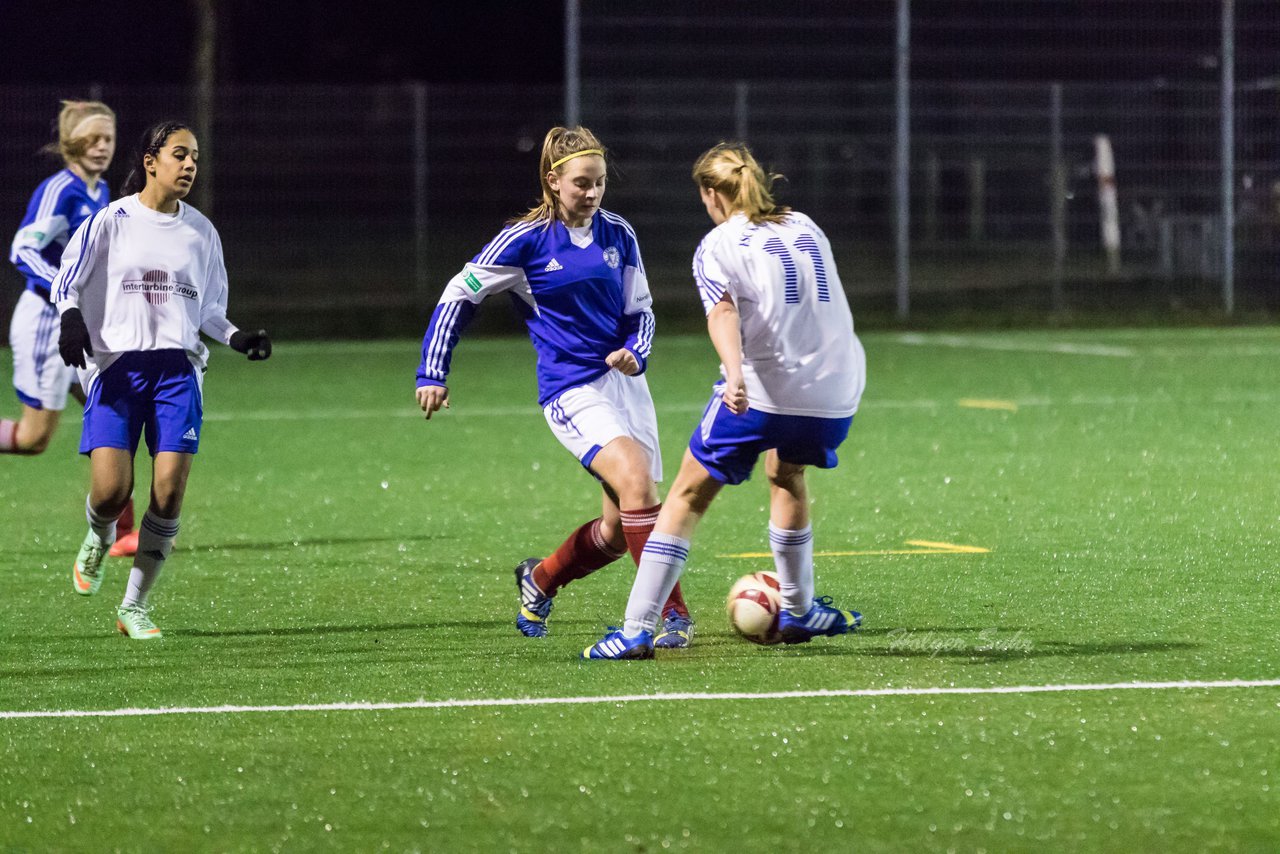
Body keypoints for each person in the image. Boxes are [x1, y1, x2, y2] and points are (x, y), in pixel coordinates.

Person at [583, 142, 866, 660]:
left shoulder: (719, 243)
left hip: (764, 392)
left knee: (688, 496)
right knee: (786, 472)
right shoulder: (805, 225)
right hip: (838, 391)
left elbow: (722, 314)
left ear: (712, 193)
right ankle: (800, 609)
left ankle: (636, 630)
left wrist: (734, 374)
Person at [414, 125, 693, 646]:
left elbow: (642, 312)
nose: (592, 193)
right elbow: (459, 293)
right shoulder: (525, 241)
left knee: (616, 530)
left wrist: (637, 351)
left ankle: (540, 579)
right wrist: (433, 370)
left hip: (626, 386)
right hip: (571, 389)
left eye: (600, 183)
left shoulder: (619, 233)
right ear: (553, 181)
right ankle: (671, 615)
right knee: (636, 480)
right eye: (582, 183)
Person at [52, 121, 272, 639]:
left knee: (169, 493)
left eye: (195, 156)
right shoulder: (113, 220)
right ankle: (99, 534)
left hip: (178, 372)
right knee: (111, 492)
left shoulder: (202, 232)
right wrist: (69, 316)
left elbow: (210, 310)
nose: (190, 164)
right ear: (151, 161)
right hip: (117, 368)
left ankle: (134, 607)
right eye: (180, 154)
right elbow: (68, 275)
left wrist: (237, 337)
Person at [4, 101, 139, 555]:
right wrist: (65, 293)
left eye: (109, 139)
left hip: (83, 328)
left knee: (116, 411)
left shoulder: (99, 191)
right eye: (92, 139)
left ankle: (125, 534)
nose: (102, 147)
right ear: (69, 144)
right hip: (47, 323)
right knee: (32, 439)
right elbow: (22, 251)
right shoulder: (59, 190)